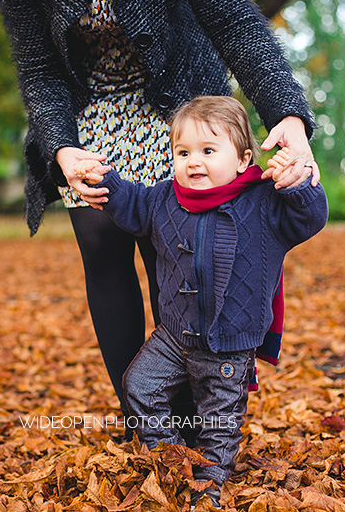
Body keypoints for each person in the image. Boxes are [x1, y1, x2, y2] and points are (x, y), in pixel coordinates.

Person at [0, 0, 321, 436]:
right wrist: (60, 147)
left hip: (178, 106)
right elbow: (40, 67)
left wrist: (285, 112)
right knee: (100, 235)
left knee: (176, 244)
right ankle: (141, 418)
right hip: (88, 110)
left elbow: (235, 22)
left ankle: (191, 415)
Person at [75, 96, 328, 508]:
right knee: (138, 386)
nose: (194, 161)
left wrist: (297, 185)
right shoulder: (162, 199)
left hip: (228, 342)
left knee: (218, 423)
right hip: (174, 336)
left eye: (208, 151)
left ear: (244, 159)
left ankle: (209, 483)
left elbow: (310, 218)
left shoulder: (264, 204)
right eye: (183, 152)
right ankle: (174, 458)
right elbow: (130, 202)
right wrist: (103, 178)